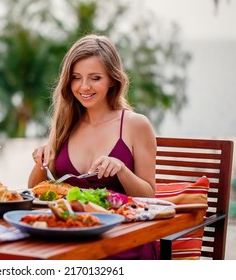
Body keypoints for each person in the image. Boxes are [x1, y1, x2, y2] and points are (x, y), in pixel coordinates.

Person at [28, 34, 158, 259]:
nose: (84, 86)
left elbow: (149, 196)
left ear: (112, 80)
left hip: (123, 241)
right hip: (71, 240)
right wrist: (42, 162)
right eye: (76, 77)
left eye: (95, 78)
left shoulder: (135, 125)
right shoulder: (65, 123)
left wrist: (121, 169)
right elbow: (34, 190)